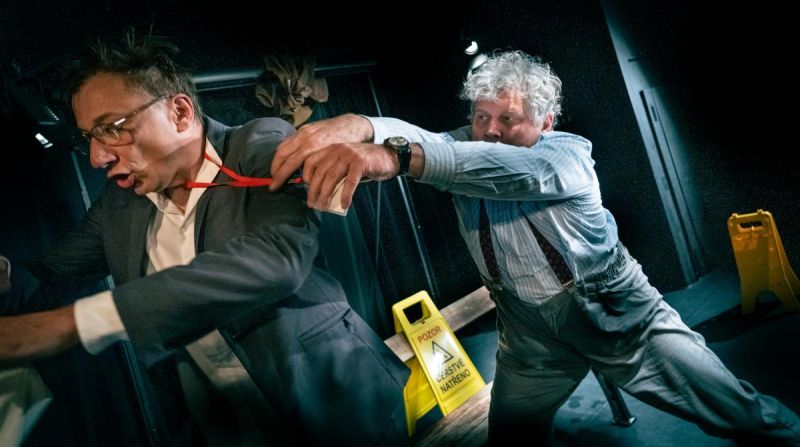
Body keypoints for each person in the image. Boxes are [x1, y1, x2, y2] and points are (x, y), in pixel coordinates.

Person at [268, 50, 800, 446]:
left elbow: (502, 170)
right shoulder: (465, 145)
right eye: (481, 117)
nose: (489, 132)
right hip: (528, 336)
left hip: (620, 318)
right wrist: (360, 124)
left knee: (739, 412)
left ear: (546, 122)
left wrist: (398, 158)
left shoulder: (566, 157)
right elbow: (427, 137)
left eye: (508, 119)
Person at [0, 33, 408, 446]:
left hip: (337, 407)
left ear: (179, 112)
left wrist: (84, 321)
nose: (97, 157)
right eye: (89, 137)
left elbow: (279, 258)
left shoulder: (258, 142)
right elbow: (47, 279)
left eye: (111, 129)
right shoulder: (116, 206)